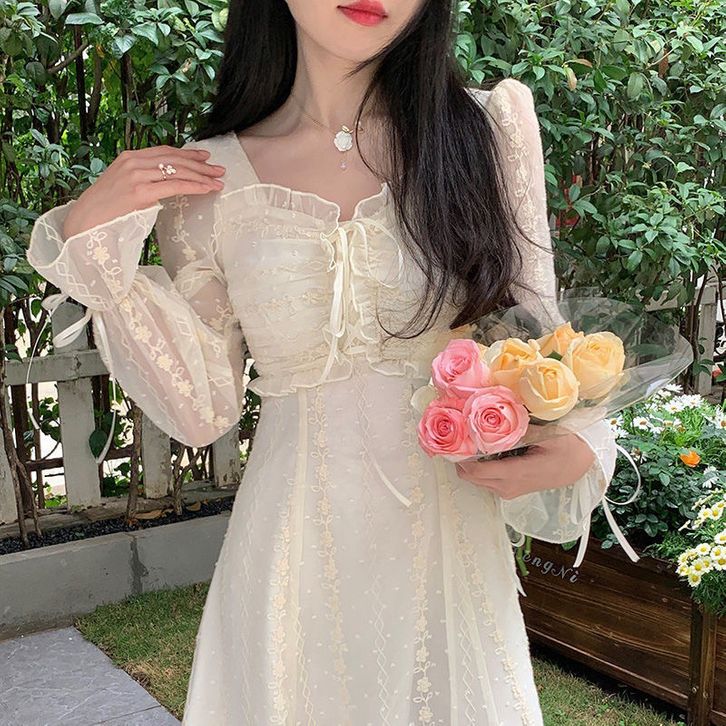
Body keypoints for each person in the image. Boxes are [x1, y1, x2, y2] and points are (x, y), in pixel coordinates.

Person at [27, 0, 618, 723]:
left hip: (447, 555)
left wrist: (583, 440)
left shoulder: (486, 129)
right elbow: (203, 410)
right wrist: (93, 250)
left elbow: (538, 337)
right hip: (290, 564)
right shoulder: (209, 178)